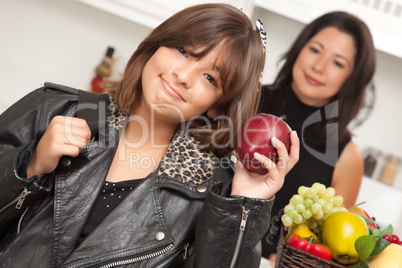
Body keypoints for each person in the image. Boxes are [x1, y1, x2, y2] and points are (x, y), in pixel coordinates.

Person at [0, 3, 299, 267]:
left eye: (210, 77)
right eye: (183, 51)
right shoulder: (56, 108)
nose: (183, 76)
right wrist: (30, 165)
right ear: (156, 45)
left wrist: (243, 205)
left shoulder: (212, 192)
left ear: (217, 105)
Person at [258, 11, 376, 263]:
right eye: (315, 49)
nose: (319, 66)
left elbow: (330, 242)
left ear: (352, 79)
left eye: (338, 63)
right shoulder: (245, 98)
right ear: (299, 49)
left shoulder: (346, 156)